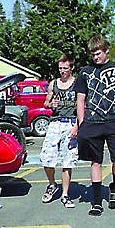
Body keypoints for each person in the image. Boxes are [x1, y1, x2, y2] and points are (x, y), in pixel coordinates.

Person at [75, 35, 115, 216]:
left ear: (106, 51)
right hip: (92, 122)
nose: (95, 57)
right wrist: (81, 123)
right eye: (93, 54)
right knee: (95, 161)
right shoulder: (85, 72)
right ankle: (97, 201)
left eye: (98, 53)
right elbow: (80, 100)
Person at [39, 54, 79, 207]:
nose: (62, 71)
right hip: (55, 123)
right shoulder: (53, 83)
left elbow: (83, 105)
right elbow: (46, 103)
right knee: (47, 157)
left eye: (65, 68)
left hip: (70, 123)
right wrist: (50, 104)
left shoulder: (77, 84)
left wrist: (77, 126)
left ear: (71, 68)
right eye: (60, 68)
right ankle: (52, 184)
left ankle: (65, 194)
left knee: (68, 160)